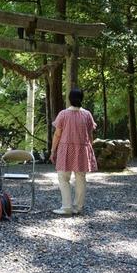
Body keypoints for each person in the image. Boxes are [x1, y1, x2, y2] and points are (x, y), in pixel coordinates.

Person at [50, 88, 98, 216]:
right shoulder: (87, 114)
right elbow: (90, 135)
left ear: (69, 99)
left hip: (65, 149)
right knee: (81, 178)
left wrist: (53, 150)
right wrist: (90, 149)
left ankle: (66, 207)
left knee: (63, 177)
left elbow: (57, 134)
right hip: (83, 149)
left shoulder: (63, 114)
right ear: (82, 99)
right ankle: (78, 207)